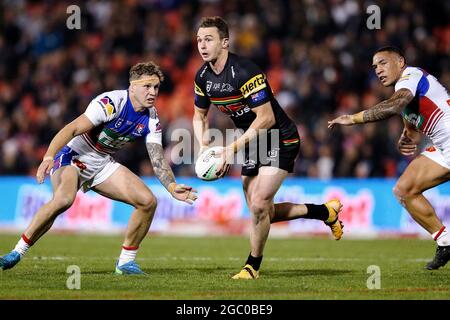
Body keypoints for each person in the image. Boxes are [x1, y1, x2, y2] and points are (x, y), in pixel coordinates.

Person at [0, 62, 198, 275]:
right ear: (132, 86)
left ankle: (125, 263)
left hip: (102, 162)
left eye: (156, 87)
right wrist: (48, 156)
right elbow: (72, 128)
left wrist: (171, 186)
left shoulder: (152, 118)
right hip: (73, 157)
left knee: (148, 202)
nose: (153, 92)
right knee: (64, 200)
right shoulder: (111, 103)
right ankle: (17, 252)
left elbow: (157, 158)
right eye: (147, 86)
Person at [193, 16, 344, 280]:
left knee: (260, 205)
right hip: (254, 141)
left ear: (225, 42)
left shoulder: (245, 71)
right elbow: (199, 116)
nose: (202, 45)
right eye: (198, 40)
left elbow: (266, 118)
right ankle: (325, 211)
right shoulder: (203, 77)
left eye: (208, 39)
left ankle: (252, 266)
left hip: (279, 137)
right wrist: (202, 143)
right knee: (262, 212)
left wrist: (230, 149)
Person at [328, 46, 450, 270]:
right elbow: (411, 122)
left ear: (401, 62)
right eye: (375, 66)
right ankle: (445, 241)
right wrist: (408, 136)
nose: (378, 70)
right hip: (443, 148)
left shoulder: (410, 76)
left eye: (383, 63)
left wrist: (353, 118)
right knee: (404, 190)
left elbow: (395, 105)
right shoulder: (405, 90)